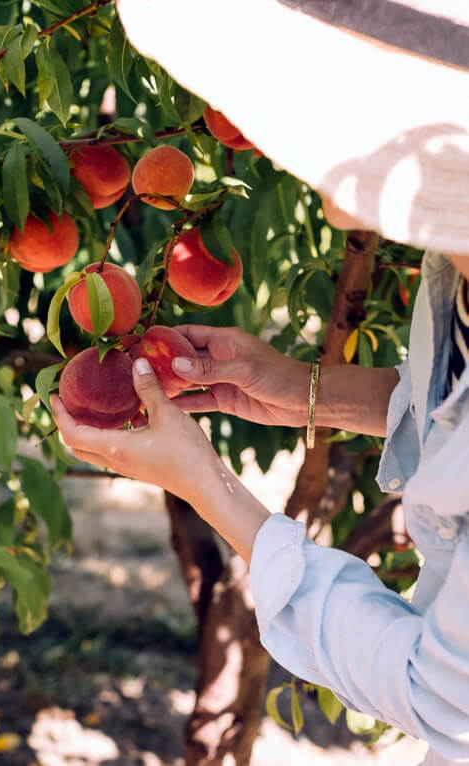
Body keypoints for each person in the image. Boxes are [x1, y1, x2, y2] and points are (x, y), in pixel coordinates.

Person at [52, 2, 469, 764]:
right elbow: (456, 417)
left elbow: (443, 701)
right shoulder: (456, 262)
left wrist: (207, 485)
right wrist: (303, 388)